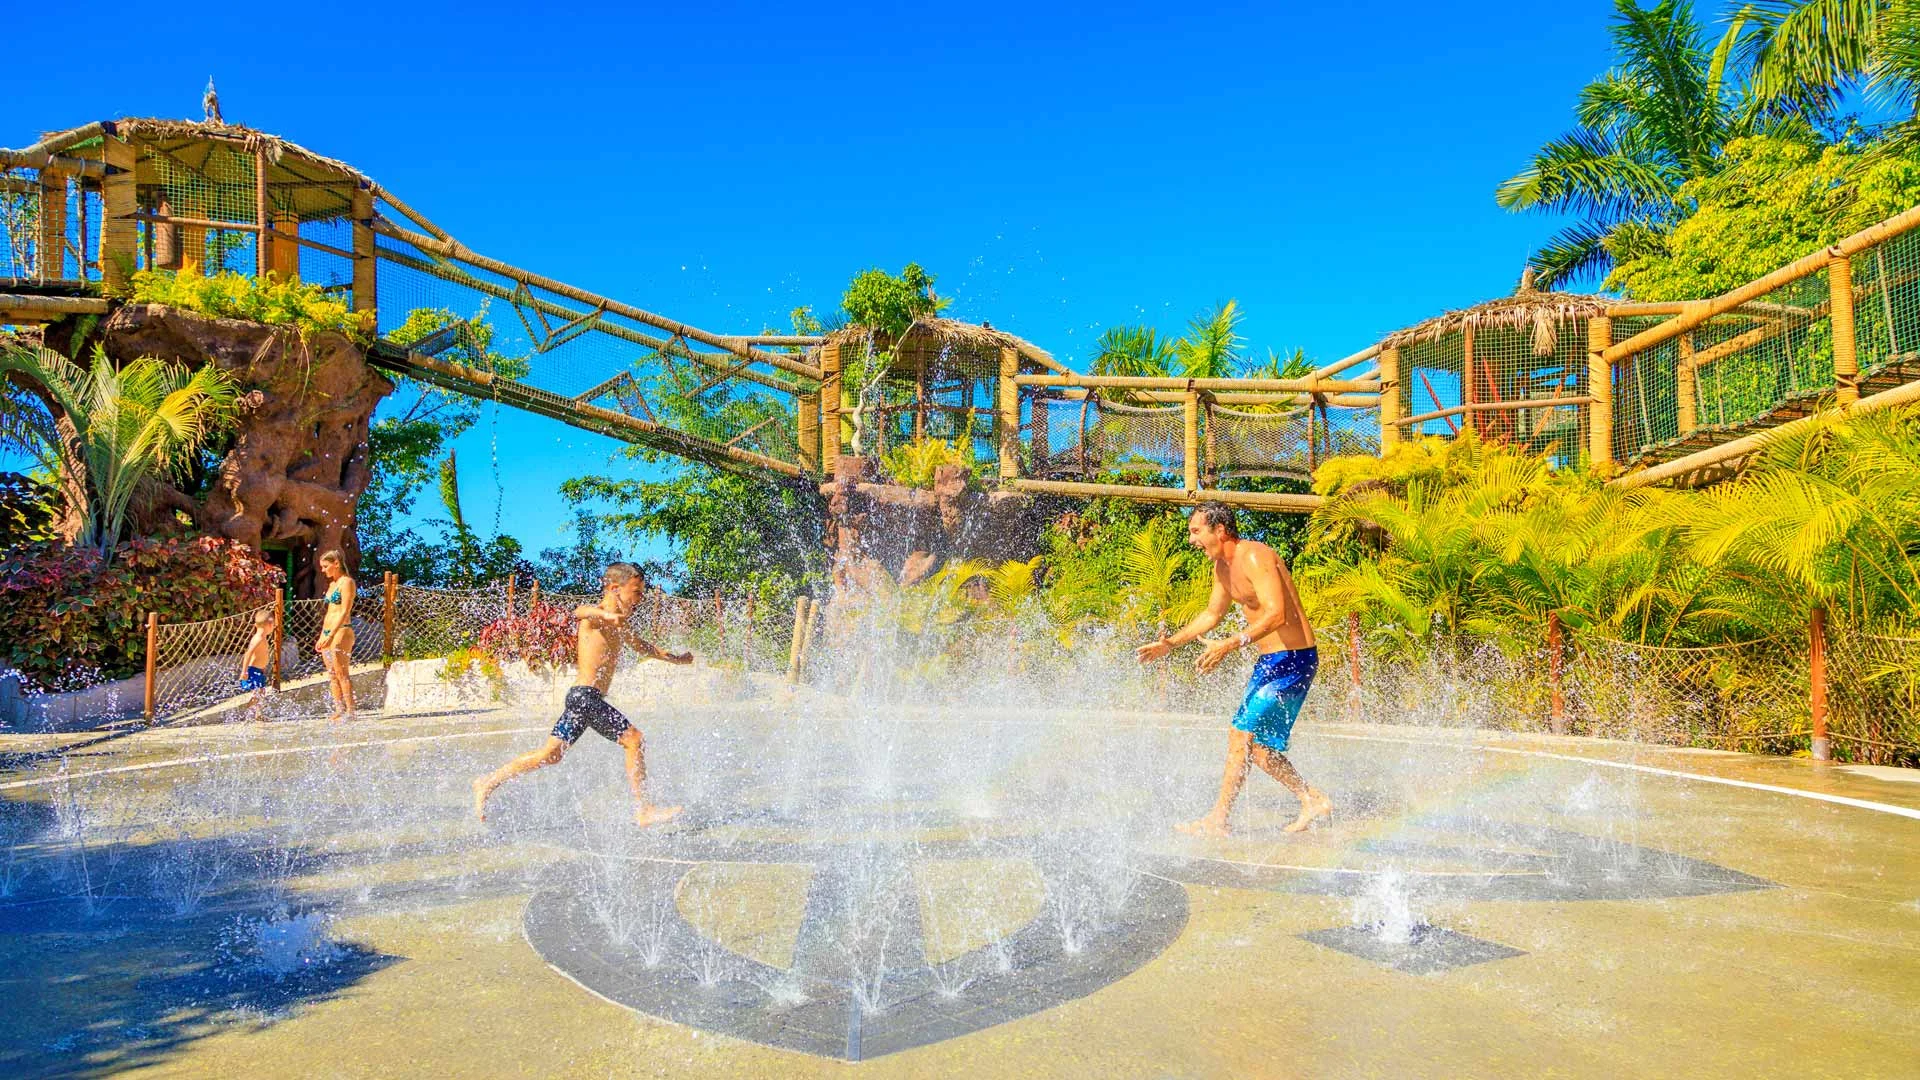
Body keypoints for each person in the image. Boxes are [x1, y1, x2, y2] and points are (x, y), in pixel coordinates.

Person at [1136, 503, 1333, 837]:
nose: (1191, 539)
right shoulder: (1222, 569)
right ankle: (1312, 799)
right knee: (1259, 750)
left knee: (1240, 734)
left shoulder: (1256, 556)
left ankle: (1218, 820)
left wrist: (1229, 644)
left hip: (1293, 659)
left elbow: (1276, 614)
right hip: (1271, 663)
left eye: (1196, 531)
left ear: (1220, 530)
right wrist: (1170, 644)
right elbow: (1211, 615)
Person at [471, 562, 693, 827]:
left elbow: (645, 647)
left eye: (642, 593)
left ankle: (487, 781)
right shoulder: (596, 617)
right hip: (585, 697)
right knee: (634, 740)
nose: (640, 599)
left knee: (550, 755)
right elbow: (580, 611)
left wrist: (677, 659)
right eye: (636, 592)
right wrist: (609, 616)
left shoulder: (621, 626)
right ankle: (644, 810)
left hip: (583, 699)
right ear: (614, 588)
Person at [316, 550, 357, 722]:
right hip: (327, 632)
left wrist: (331, 633)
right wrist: (322, 635)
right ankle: (338, 708)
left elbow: (344, 611)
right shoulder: (333, 584)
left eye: (326, 566)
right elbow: (329, 613)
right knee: (331, 673)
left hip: (341, 630)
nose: (323, 570)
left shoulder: (346, 582)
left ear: (336, 564)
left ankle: (350, 711)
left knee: (341, 672)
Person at [238, 607, 275, 721]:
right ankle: (245, 711)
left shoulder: (262, 637)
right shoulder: (258, 639)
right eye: (273, 625)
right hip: (253, 670)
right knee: (257, 694)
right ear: (270, 625)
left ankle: (258, 715)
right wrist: (244, 671)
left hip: (258, 670)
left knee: (261, 692)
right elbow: (248, 654)